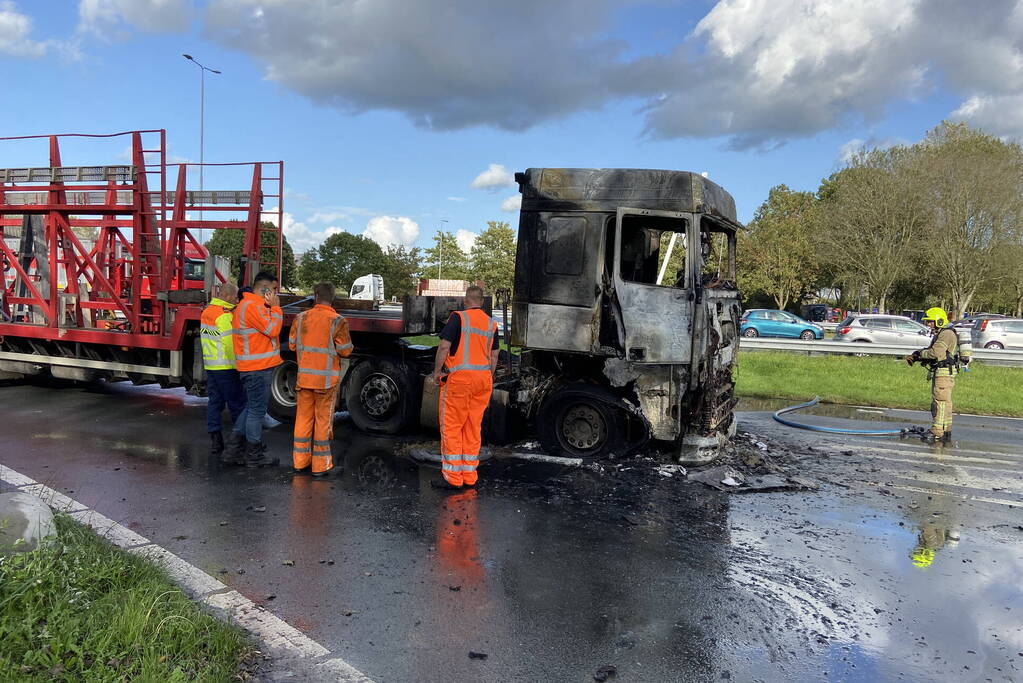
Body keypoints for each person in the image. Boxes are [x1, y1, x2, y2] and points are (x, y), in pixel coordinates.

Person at [428, 285, 499, 490]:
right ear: (482, 302)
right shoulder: (491, 324)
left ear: (465, 301)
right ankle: (469, 475)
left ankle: (452, 477)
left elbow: (444, 346)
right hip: (483, 380)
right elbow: (494, 355)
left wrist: (437, 372)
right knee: (472, 427)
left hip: (460, 380)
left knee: (452, 426)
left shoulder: (458, 318)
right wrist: (488, 375)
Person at [288, 282, 353, 477]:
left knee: (302, 420)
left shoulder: (300, 318)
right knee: (323, 422)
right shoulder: (338, 321)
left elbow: (292, 346)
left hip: (304, 380)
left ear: (315, 296)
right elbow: (346, 350)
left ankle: (300, 463)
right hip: (325, 383)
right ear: (332, 298)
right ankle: (320, 466)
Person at [226, 271, 284, 467]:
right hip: (257, 369)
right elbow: (273, 329)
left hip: (252, 368)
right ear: (265, 289)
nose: (277, 293)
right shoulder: (252, 306)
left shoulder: (248, 305)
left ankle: (233, 449)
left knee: (251, 408)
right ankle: (254, 454)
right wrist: (276, 309)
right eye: (275, 289)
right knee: (257, 411)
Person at [200, 281, 247, 464]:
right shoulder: (224, 316)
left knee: (215, 403)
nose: (237, 300)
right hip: (226, 367)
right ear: (227, 296)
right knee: (237, 405)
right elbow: (229, 345)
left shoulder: (207, 312)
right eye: (235, 297)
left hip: (211, 366)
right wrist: (239, 366)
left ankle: (215, 441)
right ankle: (238, 442)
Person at [906, 307, 960, 444]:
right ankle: (946, 430)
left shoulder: (946, 334)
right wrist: (919, 356)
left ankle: (937, 432)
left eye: (930, 321)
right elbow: (934, 353)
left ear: (939, 321)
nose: (928, 324)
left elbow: (936, 353)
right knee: (945, 402)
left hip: (943, 373)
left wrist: (919, 354)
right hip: (942, 371)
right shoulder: (943, 333)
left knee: (940, 402)